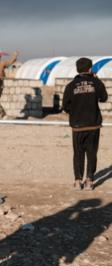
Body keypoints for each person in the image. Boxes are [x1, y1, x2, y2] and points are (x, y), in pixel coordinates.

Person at [63, 57, 108, 191]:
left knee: (78, 153)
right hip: (93, 125)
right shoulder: (96, 82)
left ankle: (77, 181)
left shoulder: (71, 85)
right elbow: (104, 98)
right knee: (92, 153)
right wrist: (96, 80)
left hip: (77, 126)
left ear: (77, 69)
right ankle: (89, 181)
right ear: (90, 69)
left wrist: (76, 112)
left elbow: (65, 106)